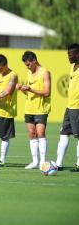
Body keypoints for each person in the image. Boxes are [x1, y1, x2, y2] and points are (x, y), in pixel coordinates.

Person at [16, 51, 51, 169]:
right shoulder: (29, 73)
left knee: (40, 133)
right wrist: (22, 88)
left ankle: (43, 161)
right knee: (31, 134)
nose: (27, 67)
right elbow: (28, 92)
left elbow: (47, 92)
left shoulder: (45, 72)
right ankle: (35, 161)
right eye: (26, 65)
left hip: (41, 108)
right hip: (29, 108)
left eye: (28, 64)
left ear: (34, 61)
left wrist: (30, 89)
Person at [56, 43, 79, 172]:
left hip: (78, 107)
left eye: (70, 54)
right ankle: (58, 164)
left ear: (78, 54)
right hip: (70, 106)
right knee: (64, 133)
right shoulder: (73, 67)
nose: (68, 56)